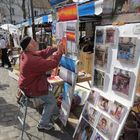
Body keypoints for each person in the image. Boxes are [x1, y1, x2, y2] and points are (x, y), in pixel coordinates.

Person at [18, 36, 64, 131]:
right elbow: (53, 64)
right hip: (31, 88)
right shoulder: (31, 60)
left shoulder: (26, 53)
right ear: (29, 46)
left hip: (27, 85)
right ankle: (43, 124)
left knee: (50, 95)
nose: (36, 42)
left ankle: (55, 114)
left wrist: (54, 48)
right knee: (51, 100)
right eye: (33, 41)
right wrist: (59, 52)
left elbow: (42, 53)